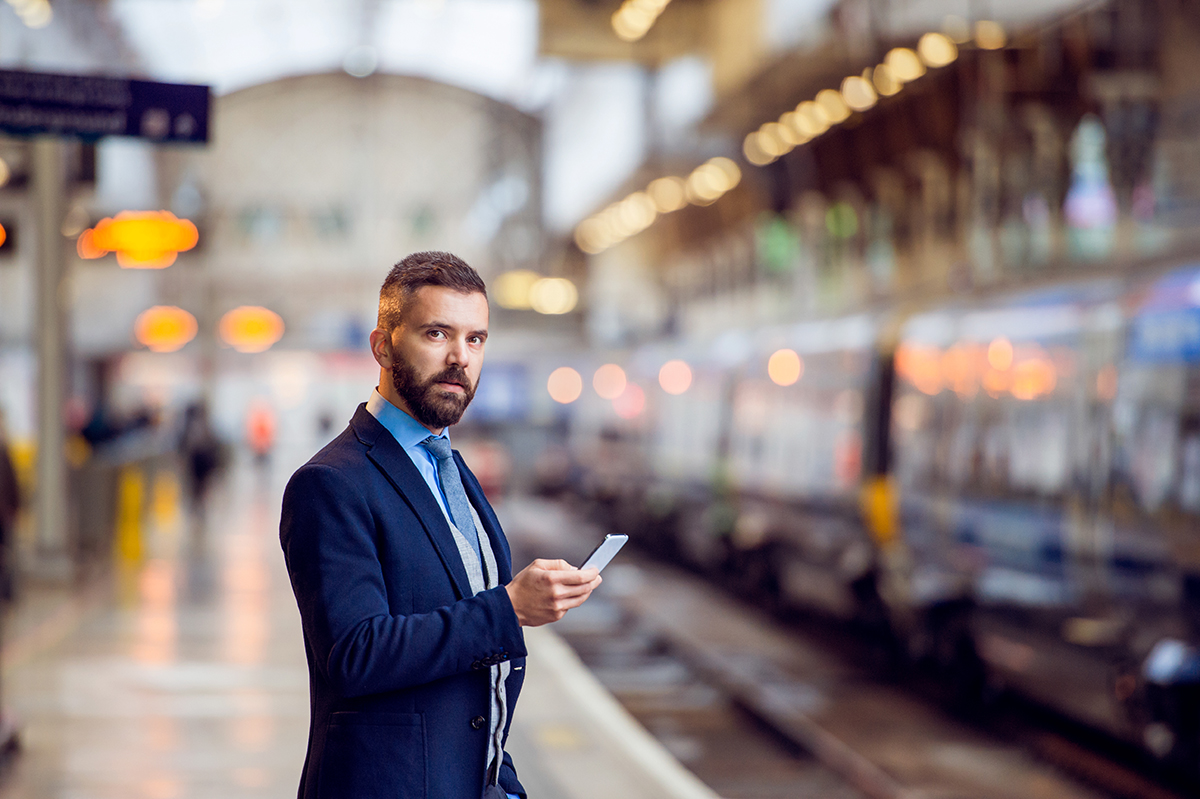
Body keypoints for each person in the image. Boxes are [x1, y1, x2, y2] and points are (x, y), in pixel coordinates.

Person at [280, 252, 602, 799]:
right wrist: (509, 609)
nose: (460, 357)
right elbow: (355, 654)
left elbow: (479, 679)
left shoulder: (453, 470)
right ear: (383, 346)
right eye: (437, 333)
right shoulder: (331, 484)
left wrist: (501, 782)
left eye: (476, 339)